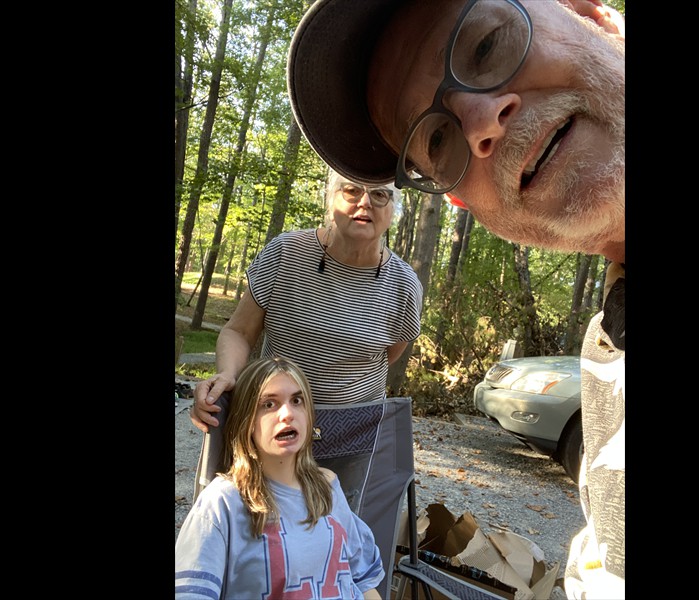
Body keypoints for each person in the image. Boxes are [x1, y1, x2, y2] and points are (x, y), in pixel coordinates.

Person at [286, 0, 625, 597]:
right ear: (465, 204)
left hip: (358, 429)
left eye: (489, 46)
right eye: (439, 138)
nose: (480, 121)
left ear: (594, 16)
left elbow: (396, 348)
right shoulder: (607, 357)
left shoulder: (400, 284)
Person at [190, 169, 423, 433]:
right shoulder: (285, 253)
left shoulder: (404, 284)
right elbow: (239, 331)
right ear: (330, 199)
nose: (365, 202)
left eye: (379, 194)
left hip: (355, 433)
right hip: (272, 422)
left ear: (394, 210)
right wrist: (227, 374)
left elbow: (388, 354)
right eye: (352, 190)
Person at [176, 356, 384, 599]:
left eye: (297, 401)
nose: (287, 414)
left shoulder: (327, 486)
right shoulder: (223, 501)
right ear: (246, 422)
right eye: (268, 404)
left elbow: (363, 580)